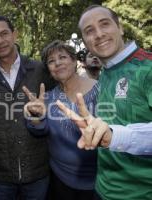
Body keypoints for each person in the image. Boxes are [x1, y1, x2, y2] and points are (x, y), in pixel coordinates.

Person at [56, 5, 152, 200]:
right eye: (89, 31)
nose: (98, 34)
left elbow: (113, 134)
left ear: (121, 27)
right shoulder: (107, 71)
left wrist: (113, 137)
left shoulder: (147, 68)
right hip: (102, 189)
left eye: (104, 24)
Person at [0, 15, 55, 200]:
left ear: (15, 34)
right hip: (0, 173)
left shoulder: (40, 70)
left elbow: (58, 108)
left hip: (38, 170)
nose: (0, 41)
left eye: (4, 34)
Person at [23, 40, 98, 200]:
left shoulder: (101, 89)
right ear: (49, 70)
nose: (57, 63)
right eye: (51, 61)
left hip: (98, 182)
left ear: (75, 61)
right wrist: (37, 117)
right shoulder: (48, 97)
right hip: (60, 180)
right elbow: (40, 130)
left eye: (62, 57)